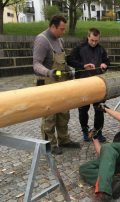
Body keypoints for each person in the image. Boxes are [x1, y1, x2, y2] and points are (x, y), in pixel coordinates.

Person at [33, 15, 80, 155]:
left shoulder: (59, 40)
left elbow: (63, 61)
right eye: (61, 29)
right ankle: (50, 145)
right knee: (49, 115)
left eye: (64, 29)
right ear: (53, 26)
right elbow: (36, 64)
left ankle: (64, 140)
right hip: (46, 83)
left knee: (64, 112)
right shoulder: (42, 40)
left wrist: (68, 71)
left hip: (60, 82)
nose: (63, 32)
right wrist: (49, 72)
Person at [79, 104, 120, 201]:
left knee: (107, 147)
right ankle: (115, 182)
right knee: (84, 168)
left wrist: (105, 109)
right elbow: (103, 154)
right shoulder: (117, 138)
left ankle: (103, 193)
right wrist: (94, 138)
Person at [67, 28, 110, 142]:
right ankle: (85, 132)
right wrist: (83, 65)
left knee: (99, 109)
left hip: (98, 83)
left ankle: (98, 132)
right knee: (83, 110)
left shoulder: (101, 49)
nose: (94, 42)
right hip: (83, 83)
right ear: (88, 37)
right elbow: (69, 60)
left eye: (96, 40)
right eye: (92, 40)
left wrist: (104, 64)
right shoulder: (80, 48)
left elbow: (107, 61)